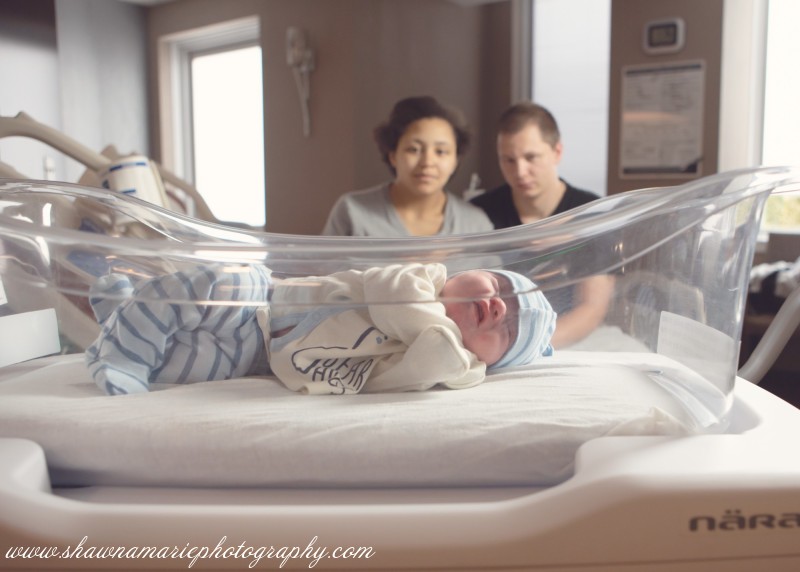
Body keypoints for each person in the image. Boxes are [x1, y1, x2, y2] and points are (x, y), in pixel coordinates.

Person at [86, 263, 556, 396]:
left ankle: (121, 315)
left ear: (490, 362)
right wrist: (446, 335)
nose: (499, 305)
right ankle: (124, 352)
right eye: (500, 286)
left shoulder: (446, 364)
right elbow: (395, 302)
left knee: (182, 366)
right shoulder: (422, 280)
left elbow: (398, 377)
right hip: (263, 302)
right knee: (212, 285)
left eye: (509, 327)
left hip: (262, 359)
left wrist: (457, 361)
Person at [471, 102, 612, 348]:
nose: (520, 171)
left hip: (567, 341)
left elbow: (592, 307)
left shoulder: (590, 213)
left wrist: (530, 346)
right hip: (494, 340)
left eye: (531, 157)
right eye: (508, 160)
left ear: (557, 152)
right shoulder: (480, 213)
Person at [322, 96, 493, 236]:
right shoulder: (353, 211)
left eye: (441, 151)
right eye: (414, 149)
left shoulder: (476, 224)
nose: (427, 162)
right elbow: (324, 268)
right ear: (393, 156)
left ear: (455, 161)